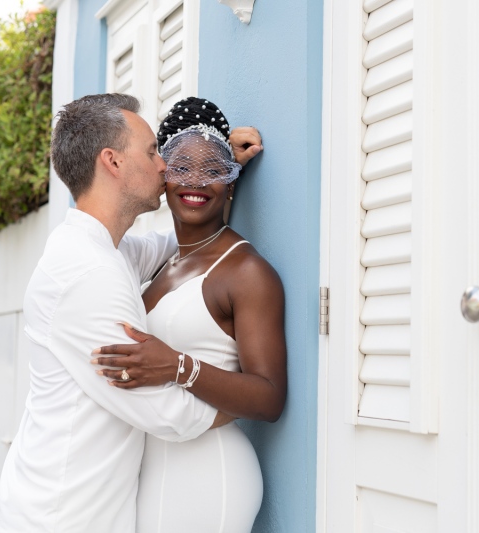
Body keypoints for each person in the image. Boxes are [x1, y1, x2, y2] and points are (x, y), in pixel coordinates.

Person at [0, 94, 262, 533]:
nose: (164, 166)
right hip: (62, 518)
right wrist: (248, 401)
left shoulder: (100, 250)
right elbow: (164, 413)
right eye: (154, 151)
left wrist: (215, 170)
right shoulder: (88, 273)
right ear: (113, 162)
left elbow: (180, 246)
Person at [89, 97, 287, 532]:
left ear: (232, 182)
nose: (196, 181)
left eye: (213, 169)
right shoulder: (164, 261)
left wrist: (177, 366)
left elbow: (269, 397)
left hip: (209, 472)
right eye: (181, 167)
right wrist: (215, 154)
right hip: (152, 472)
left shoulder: (246, 272)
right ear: (162, 177)